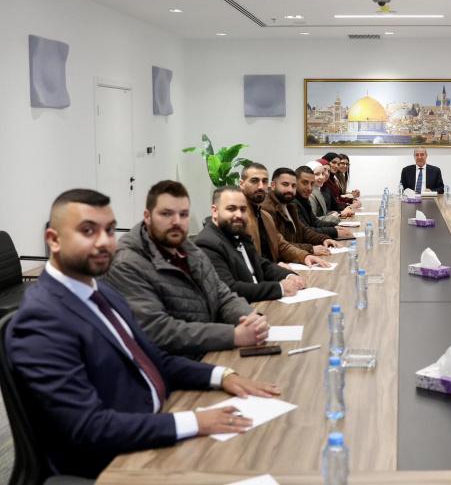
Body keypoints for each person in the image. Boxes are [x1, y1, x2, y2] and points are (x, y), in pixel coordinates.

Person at [8, 189, 281, 478]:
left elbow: (152, 358)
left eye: (109, 230)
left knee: (266, 449)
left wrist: (222, 376)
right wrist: (194, 422)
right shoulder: (41, 319)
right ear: (53, 240)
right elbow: (90, 428)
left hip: (154, 422)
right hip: (113, 463)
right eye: (88, 231)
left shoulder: (101, 291)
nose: (104, 242)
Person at [104, 181, 269, 358]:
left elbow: (222, 295)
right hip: (174, 365)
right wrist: (232, 335)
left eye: (183, 214)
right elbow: (158, 330)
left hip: (209, 352)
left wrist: (250, 318)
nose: (176, 222)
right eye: (166, 214)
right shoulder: (127, 263)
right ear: (147, 216)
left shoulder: (189, 249)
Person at [195, 186, 306, 303]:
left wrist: (288, 276)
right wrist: (280, 288)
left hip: (261, 304)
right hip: (243, 309)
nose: (239, 215)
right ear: (214, 211)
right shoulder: (207, 243)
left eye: (243, 209)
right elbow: (229, 288)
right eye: (231, 209)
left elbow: (262, 265)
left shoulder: (237, 233)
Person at [238, 163, 326, 267]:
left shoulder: (265, 215)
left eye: (264, 181)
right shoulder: (238, 217)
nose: (261, 186)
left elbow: (280, 244)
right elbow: (247, 259)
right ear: (241, 184)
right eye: (254, 181)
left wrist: (305, 256)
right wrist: (274, 269)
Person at [263, 167, 340, 256]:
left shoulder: (289, 205)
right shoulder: (267, 209)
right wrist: (310, 249)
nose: (290, 189)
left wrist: (323, 239)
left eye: (293, 186)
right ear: (273, 185)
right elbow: (279, 245)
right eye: (285, 184)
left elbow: (304, 231)